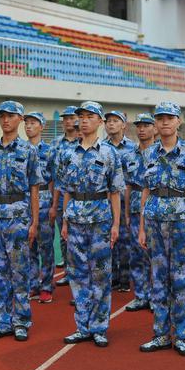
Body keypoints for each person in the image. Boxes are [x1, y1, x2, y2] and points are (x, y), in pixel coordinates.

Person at [138, 101, 185, 357]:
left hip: (180, 222)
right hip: (154, 221)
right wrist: (142, 228)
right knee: (157, 279)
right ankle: (159, 334)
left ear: (179, 121)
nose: (165, 122)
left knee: (178, 280)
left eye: (170, 118)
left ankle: (180, 336)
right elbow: (145, 189)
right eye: (160, 118)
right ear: (156, 123)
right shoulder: (148, 153)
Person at [57, 101, 125, 348]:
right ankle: (82, 326)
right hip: (75, 217)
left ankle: (99, 327)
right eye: (81, 116)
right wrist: (64, 219)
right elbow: (65, 190)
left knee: (100, 275)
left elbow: (116, 191)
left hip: (100, 219)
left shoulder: (109, 153)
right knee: (77, 274)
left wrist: (116, 224)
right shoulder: (67, 153)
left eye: (89, 116)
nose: (84, 120)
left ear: (99, 122)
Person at [0, 100, 43, 342]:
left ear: (20, 119)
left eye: (10, 116)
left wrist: (35, 223)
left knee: (19, 273)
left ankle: (21, 321)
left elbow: (35, 188)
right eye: (2, 116)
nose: (5, 120)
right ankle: (3, 321)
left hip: (19, 216)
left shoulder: (28, 151)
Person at [123, 113, 156, 312]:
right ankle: (141, 295)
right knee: (136, 253)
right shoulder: (129, 155)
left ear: (154, 128)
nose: (142, 129)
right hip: (135, 209)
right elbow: (127, 186)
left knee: (155, 255)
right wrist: (126, 213)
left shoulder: (161, 153)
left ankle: (155, 295)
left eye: (146, 125)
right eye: (139, 125)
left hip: (156, 208)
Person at [103, 110, 137, 293]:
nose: (111, 124)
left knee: (125, 240)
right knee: (108, 240)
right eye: (108, 121)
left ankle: (125, 277)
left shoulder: (132, 148)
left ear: (124, 125)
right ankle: (112, 276)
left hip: (125, 202)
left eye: (116, 121)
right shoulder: (101, 148)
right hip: (105, 202)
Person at [24, 111, 56, 304]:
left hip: (44, 200)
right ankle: (33, 283)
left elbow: (55, 179)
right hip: (24, 201)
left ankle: (46, 285)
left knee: (45, 247)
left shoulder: (50, 151)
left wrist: (53, 205)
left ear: (42, 126)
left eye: (33, 123)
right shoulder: (20, 149)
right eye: (26, 123)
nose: (29, 126)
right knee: (29, 247)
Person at [51, 106, 79, 286]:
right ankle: (69, 272)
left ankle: (80, 273)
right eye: (65, 118)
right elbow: (53, 173)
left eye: (71, 118)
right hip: (61, 195)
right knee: (64, 235)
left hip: (81, 196)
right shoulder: (55, 143)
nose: (68, 121)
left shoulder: (83, 142)